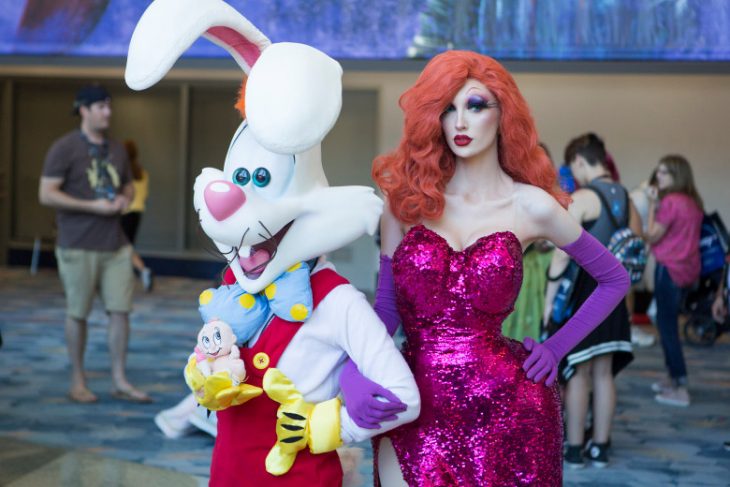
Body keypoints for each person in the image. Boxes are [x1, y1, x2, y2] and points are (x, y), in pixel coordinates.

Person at [362, 51, 630, 486]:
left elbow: (614, 278)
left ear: (503, 111)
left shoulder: (531, 206)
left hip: (506, 406)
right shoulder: (405, 205)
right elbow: (387, 307)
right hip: (413, 400)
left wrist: (556, 348)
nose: (460, 122)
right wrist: (354, 365)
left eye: (475, 105)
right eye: (447, 109)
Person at [38, 83, 151, 404]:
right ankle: (78, 380)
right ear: (83, 110)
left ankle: (119, 379)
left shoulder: (116, 149)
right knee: (78, 313)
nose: (108, 112)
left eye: (109, 106)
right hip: (77, 243)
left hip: (115, 243)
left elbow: (129, 186)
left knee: (121, 312)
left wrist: (123, 200)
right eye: (101, 106)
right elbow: (46, 193)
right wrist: (93, 207)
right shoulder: (64, 148)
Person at [543, 133, 639, 468]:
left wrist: (550, 294)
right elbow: (636, 244)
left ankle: (574, 447)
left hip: (587, 292)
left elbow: (560, 256)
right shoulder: (625, 197)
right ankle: (601, 446)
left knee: (579, 373)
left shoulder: (584, 196)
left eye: (574, 168)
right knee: (604, 374)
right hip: (615, 294)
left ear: (581, 162)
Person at [645, 155, 704, 407]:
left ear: (677, 175)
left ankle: (680, 385)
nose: (659, 177)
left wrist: (651, 205)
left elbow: (651, 236)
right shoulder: (693, 202)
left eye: (665, 173)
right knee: (668, 324)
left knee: (667, 327)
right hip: (687, 270)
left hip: (669, 269)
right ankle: (672, 377)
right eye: (658, 172)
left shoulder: (670, 202)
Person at [120, 139, 154, 292]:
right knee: (127, 246)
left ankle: (142, 270)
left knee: (123, 247)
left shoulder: (123, 173)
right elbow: (144, 194)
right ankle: (134, 274)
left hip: (123, 213)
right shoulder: (142, 173)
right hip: (137, 213)